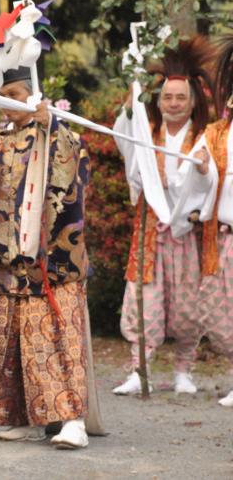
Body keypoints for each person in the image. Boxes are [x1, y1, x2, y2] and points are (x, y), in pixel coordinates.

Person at [0, 67, 100, 449]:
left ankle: (71, 419)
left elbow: (73, 179)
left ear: (33, 94)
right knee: (9, 346)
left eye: (13, 92)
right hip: (5, 264)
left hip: (51, 265)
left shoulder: (62, 136)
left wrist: (52, 127)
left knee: (56, 343)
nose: (5, 100)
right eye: (0, 93)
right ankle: (22, 417)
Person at [112, 37, 216, 396]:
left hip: (187, 234)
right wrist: (131, 106)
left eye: (180, 98)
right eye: (167, 97)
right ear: (159, 101)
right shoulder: (146, 136)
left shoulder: (205, 138)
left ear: (192, 102)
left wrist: (204, 170)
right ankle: (139, 370)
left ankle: (183, 371)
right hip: (149, 234)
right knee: (146, 302)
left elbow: (211, 182)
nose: (173, 103)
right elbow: (123, 137)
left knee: (188, 306)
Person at [197, 34, 233, 407]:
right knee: (218, 312)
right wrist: (203, 170)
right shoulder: (216, 133)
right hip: (223, 237)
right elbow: (196, 177)